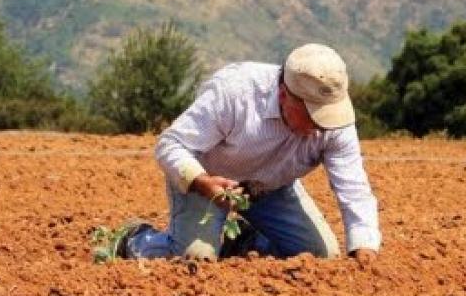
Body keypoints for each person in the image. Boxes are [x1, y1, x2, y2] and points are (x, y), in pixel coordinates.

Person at [117, 43, 381, 263]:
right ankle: (136, 239)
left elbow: (353, 188)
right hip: (208, 180)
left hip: (270, 188)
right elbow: (171, 145)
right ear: (284, 95)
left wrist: (364, 248)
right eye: (312, 115)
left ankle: (245, 240)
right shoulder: (235, 93)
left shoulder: (335, 122)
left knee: (320, 255)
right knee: (194, 257)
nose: (319, 126)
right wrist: (202, 181)